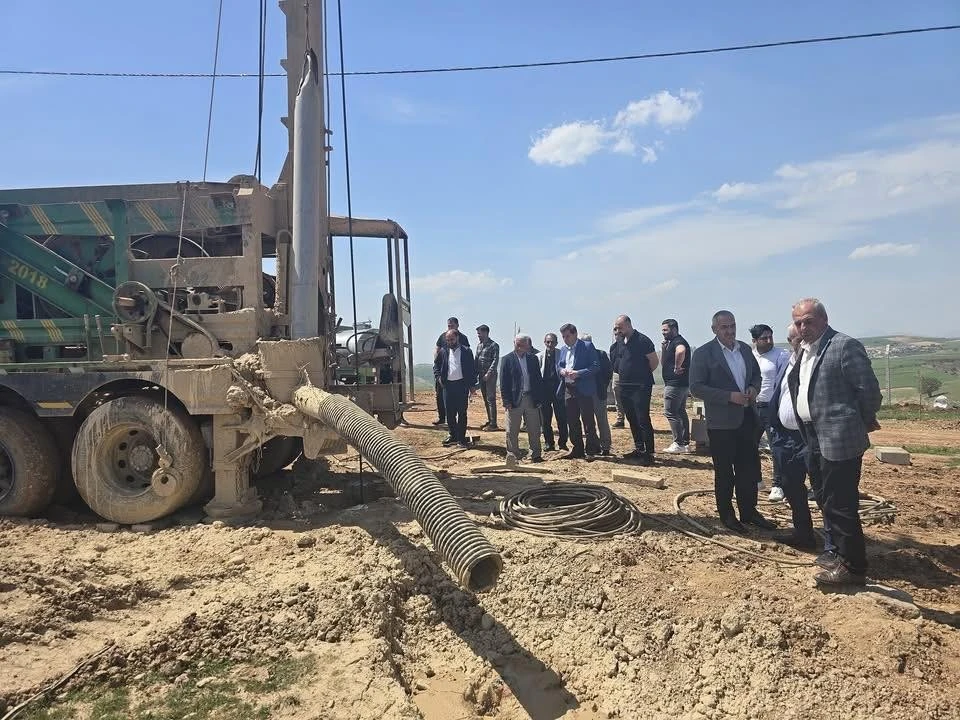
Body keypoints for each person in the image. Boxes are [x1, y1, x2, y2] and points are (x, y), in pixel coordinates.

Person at [789, 298, 882, 587]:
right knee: (825, 499)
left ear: (824, 319)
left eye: (808, 321)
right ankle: (838, 554)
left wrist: (858, 422)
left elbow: (869, 391)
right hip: (812, 436)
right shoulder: (804, 350)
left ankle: (853, 568)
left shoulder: (844, 346)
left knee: (841, 503)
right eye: (798, 323)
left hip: (839, 438)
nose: (803, 327)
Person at [689, 310, 776, 534]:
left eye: (732, 326)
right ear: (714, 329)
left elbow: (756, 376)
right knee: (725, 472)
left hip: (747, 419)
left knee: (748, 469)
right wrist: (729, 397)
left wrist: (753, 389)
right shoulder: (704, 353)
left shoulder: (744, 349)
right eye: (724, 327)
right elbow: (696, 387)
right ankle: (727, 515)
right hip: (721, 424)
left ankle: (749, 512)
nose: (729, 331)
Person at [768, 324, 816, 549]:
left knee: (822, 489)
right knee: (791, 487)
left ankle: (835, 545)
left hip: (809, 437)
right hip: (785, 437)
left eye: (799, 339)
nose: (797, 343)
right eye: (793, 339)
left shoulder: (815, 362)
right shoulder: (788, 361)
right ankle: (803, 534)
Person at [612, 315, 659, 466]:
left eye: (620, 327)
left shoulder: (642, 340)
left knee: (642, 418)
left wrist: (641, 375)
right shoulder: (620, 342)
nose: (618, 330)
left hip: (640, 386)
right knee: (631, 418)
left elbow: (654, 362)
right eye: (616, 328)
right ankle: (639, 448)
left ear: (628, 325)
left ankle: (649, 453)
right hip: (625, 385)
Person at [751, 323, 789, 498]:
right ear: (755, 340)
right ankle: (756, 479)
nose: (768, 341)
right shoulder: (750, 356)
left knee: (776, 447)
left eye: (770, 337)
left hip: (771, 407)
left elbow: (784, 382)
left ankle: (778, 484)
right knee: (750, 445)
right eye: (764, 338)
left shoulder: (781, 355)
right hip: (752, 406)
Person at [556, 323, 601, 459]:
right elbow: (559, 366)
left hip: (583, 389)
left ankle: (591, 450)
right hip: (569, 389)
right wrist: (561, 371)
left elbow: (595, 366)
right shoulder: (563, 350)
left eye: (567, 336)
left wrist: (579, 373)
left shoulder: (587, 346)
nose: (565, 339)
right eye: (563, 337)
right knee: (572, 420)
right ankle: (577, 449)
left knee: (588, 420)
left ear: (575, 333)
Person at [500, 334, 544, 464]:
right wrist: (506, 401)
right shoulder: (507, 359)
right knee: (512, 430)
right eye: (517, 344)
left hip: (531, 398)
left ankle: (535, 454)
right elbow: (504, 382)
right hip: (514, 400)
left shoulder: (533, 359)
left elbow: (538, 379)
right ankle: (513, 455)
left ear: (527, 345)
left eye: (522, 344)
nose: (519, 347)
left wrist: (539, 399)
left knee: (534, 429)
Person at [433, 329, 477, 448]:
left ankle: (461, 439)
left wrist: (472, 386)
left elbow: (472, 369)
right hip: (448, 386)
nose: (450, 342)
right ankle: (453, 436)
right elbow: (436, 365)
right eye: (447, 340)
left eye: (452, 339)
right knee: (450, 413)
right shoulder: (443, 351)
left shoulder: (466, 351)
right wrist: (439, 378)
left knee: (462, 413)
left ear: (457, 338)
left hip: (462, 386)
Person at [660, 318, 691, 454]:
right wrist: (664, 349)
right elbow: (664, 363)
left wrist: (677, 366)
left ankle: (678, 443)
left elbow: (681, 351)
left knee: (671, 412)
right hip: (681, 384)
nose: (663, 333)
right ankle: (685, 442)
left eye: (665, 330)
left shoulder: (678, 341)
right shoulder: (671, 343)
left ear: (674, 329)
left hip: (675, 384)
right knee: (680, 411)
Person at [433, 317, 470, 427]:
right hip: (444, 375)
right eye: (448, 325)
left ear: (457, 325)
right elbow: (437, 349)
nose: (450, 327)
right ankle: (442, 418)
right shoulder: (442, 336)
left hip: (460, 380)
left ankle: (460, 431)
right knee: (441, 397)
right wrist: (439, 374)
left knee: (460, 408)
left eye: (452, 325)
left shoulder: (463, 338)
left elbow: (467, 357)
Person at [582, 334, 613, 456]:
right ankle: (593, 445)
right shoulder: (579, 356)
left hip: (598, 392)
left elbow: (608, 372)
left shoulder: (601, 354)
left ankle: (605, 446)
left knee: (602, 420)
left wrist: (602, 386)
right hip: (584, 393)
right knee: (588, 421)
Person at [539, 333, 568, 451]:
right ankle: (549, 443)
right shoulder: (539, 356)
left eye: (552, 342)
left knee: (561, 418)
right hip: (544, 391)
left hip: (558, 389)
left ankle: (563, 443)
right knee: (546, 419)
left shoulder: (562, 354)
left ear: (556, 343)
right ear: (544, 342)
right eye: (548, 342)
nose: (550, 344)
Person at [475, 324, 500, 431]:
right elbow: (476, 360)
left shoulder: (494, 345)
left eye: (479, 334)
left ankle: (493, 424)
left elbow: (495, 361)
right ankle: (490, 420)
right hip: (481, 375)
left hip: (490, 376)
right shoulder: (479, 346)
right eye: (478, 334)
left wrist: (488, 374)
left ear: (486, 333)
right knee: (485, 399)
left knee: (491, 399)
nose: (478, 336)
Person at [610, 328, 625, 428]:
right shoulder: (613, 347)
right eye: (615, 334)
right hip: (616, 374)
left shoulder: (628, 345)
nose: (617, 336)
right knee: (617, 398)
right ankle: (620, 419)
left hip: (628, 375)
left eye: (619, 334)